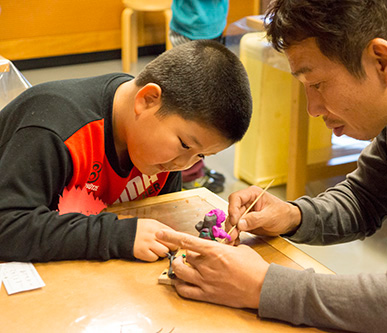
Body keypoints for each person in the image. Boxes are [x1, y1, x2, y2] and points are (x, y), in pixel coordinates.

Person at [155, 0, 387, 331]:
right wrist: (292, 216)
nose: (313, 108)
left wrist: (262, 286)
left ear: (381, 61)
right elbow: (362, 199)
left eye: (317, 84)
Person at [0, 40, 251, 263]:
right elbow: (7, 228)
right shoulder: (54, 127)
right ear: (147, 99)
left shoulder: (163, 153)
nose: (184, 164)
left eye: (201, 155)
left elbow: (156, 219)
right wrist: (117, 235)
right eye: (185, 145)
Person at [169, 0, 230, 193]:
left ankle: (195, 167)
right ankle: (187, 174)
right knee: (191, 107)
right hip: (190, 31)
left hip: (213, 27)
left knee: (209, 103)